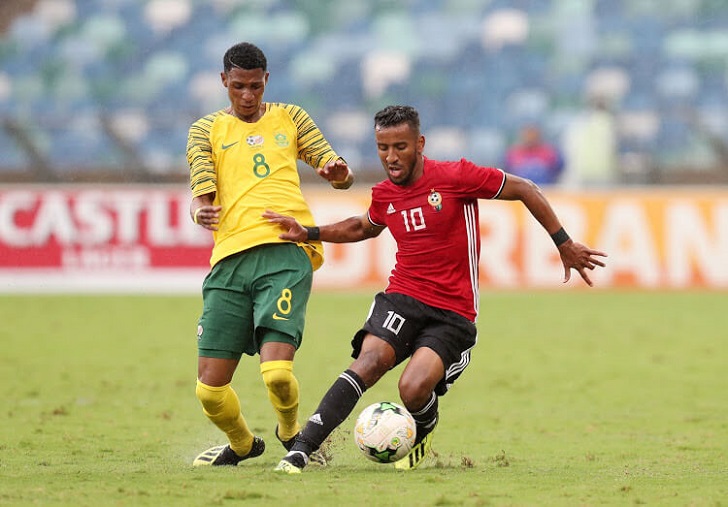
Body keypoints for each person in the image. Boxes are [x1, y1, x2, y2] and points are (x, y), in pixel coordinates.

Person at [264, 105, 607, 473]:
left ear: (420, 144)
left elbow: (525, 188)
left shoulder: (457, 176)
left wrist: (564, 243)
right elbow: (363, 226)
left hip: (453, 312)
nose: (391, 158)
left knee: (412, 389)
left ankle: (424, 426)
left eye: (401, 147)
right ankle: (301, 450)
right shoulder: (385, 194)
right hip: (402, 297)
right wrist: (310, 232)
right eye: (383, 148)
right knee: (369, 361)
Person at [186, 41, 354, 467]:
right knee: (209, 390)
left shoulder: (291, 117)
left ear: (267, 81)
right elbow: (200, 194)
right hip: (229, 259)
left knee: (277, 374)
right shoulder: (204, 130)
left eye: (256, 87)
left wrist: (339, 173)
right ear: (224, 80)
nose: (247, 96)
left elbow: (338, 173)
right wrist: (199, 212)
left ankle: (290, 431)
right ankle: (243, 444)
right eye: (239, 86)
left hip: (286, 251)